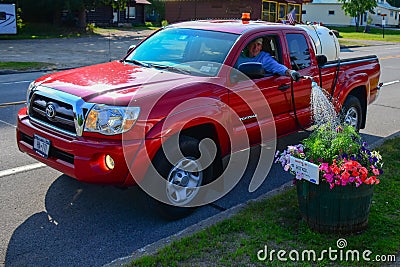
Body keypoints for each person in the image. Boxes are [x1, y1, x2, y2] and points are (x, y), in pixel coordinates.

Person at [236, 37, 301, 81]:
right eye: (253, 44)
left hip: (255, 88)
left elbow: (277, 67)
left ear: (261, 47)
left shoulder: (264, 58)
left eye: (258, 45)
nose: (255, 48)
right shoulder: (238, 56)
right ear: (248, 45)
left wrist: (291, 72)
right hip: (238, 85)